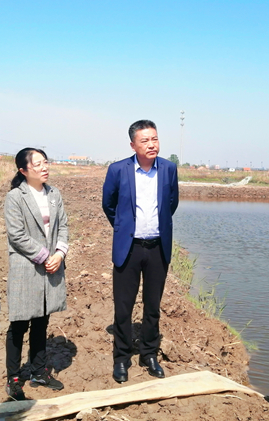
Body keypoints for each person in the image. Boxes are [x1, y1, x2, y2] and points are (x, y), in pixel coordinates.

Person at [102, 120, 179, 383]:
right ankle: (121, 358)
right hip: (129, 248)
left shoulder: (168, 169)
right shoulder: (117, 170)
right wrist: (124, 227)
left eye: (154, 139)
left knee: (153, 306)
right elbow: (108, 204)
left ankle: (148, 354)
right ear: (133, 145)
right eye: (145, 140)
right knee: (123, 307)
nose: (151, 144)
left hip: (157, 247)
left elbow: (172, 203)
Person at [4, 148, 69, 400]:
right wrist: (44, 256)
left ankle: (39, 371)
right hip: (27, 267)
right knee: (19, 324)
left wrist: (59, 254)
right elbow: (17, 235)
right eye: (38, 164)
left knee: (42, 321)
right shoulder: (15, 197)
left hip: (51, 267)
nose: (44, 167)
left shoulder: (54, 194)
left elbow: (63, 226)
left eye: (45, 162)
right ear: (23, 170)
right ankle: (14, 378)